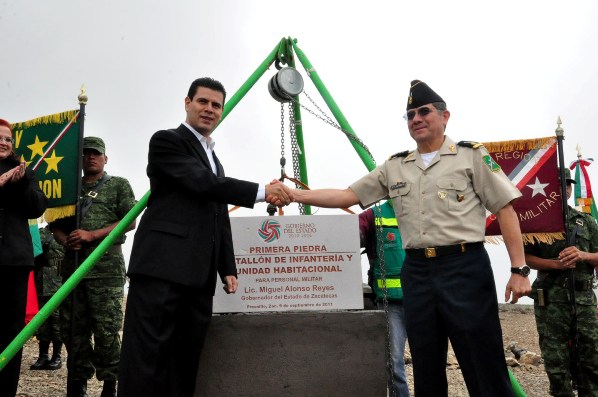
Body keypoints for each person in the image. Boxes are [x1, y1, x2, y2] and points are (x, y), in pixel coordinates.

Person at [274, 80, 532, 397]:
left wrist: (519, 270)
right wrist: (293, 193)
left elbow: (505, 209)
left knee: (483, 362)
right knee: (425, 364)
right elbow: (347, 195)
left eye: (424, 112)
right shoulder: (395, 167)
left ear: (444, 116)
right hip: (418, 273)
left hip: (464, 268)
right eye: (410, 115)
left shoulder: (471, 157)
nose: (416, 119)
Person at [117, 77, 291, 397]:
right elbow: (200, 183)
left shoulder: (215, 160)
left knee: (184, 363)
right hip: (161, 271)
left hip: (198, 279)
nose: (209, 110)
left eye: (216, 105)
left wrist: (228, 266)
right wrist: (263, 192)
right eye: (203, 102)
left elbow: (218, 213)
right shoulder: (167, 142)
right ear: (187, 103)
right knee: (146, 361)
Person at [51, 136, 137, 397]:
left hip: (106, 270)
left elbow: (130, 220)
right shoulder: (68, 188)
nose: (91, 157)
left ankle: (110, 384)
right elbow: (54, 223)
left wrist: (93, 235)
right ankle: (78, 381)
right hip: (74, 269)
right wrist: (67, 240)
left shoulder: (118, 185)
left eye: (96, 154)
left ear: (105, 158)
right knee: (73, 330)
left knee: (107, 330)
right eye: (86, 153)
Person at [524, 168, 598, 396]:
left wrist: (582, 255)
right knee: (556, 366)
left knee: (591, 362)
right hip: (551, 303)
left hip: (584, 302)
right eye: (558, 184)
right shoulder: (536, 222)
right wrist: (556, 264)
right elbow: (524, 257)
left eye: (567, 184)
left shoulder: (587, 222)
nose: (563, 188)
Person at [0, 118, 48, 396]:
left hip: (15, 263)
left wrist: (19, 185)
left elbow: (37, 208)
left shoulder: (25, 172)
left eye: (8, 139)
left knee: (11, 334)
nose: (4, 143)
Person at [359, 200, 409, 396]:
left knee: (429, 362)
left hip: (423, 301)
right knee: (394, 362)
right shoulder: (374, 215)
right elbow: (347, 234)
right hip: (390, 304)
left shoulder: (424, 208)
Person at [29, 225, 65, 371]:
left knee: (57, 322)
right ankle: (42, 356)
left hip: (58, 285)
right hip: (42, 284)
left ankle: (57, 356)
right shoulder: (40, 232)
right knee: (42, 323)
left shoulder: (64, 232)